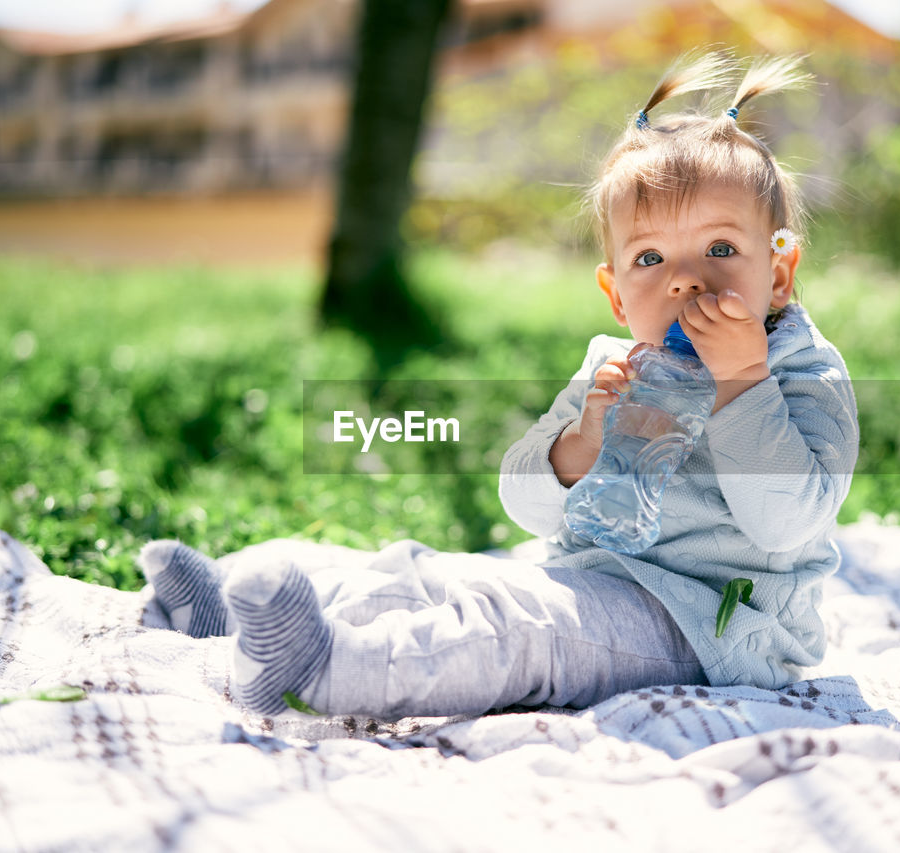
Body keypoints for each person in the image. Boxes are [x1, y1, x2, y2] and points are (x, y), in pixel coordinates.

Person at [139, 51, 859, 719]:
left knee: (520, 629)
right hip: (595, 574)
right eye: (649, 257)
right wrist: (577, 447)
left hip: (715, 628)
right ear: (615, 295)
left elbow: (786, 523)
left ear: (780, 272)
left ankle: (328, 668)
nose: (683, 278)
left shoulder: (803, 375)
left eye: (721, 248)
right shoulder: (615, 370)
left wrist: (742, 381)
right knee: (430, 575)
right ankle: (226, 611)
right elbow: (523, 501)